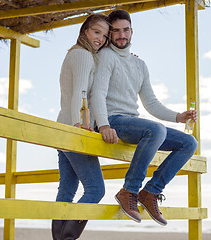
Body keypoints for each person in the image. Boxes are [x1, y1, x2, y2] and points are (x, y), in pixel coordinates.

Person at [91, 9, 198, 226]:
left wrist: (178, 117)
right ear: (109, 34)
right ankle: (129, 190)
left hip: (133, 123)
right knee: (156, 130)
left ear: (132, 31)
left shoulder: (139, 64)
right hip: (111, 120)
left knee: (189, 143)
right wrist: (102, 124)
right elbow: (98, 93)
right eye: (116, 31)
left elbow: (150, 103)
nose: (122, 35)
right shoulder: (105, 56)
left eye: (126, 30)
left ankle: (150, 192)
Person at [52, 14, 110, 240]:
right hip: (74, 130)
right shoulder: (83, 56)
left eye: (105, 36)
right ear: (85, 30)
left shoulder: (74, 54)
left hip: (62, 129)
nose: (101, 39)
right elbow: (80, 92)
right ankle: (67, 238)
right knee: (96, 189)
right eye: (97, 32)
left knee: (66, 190)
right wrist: (79, 125)